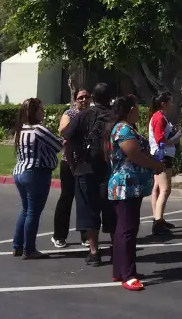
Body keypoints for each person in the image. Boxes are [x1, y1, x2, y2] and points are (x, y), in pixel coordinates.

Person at [107, 95, 166, 291]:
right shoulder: (123, 130)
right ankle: (128, 274)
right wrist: (155, 164)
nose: (140, 112)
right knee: (128, 230)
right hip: (125, 185)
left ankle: (120, 270)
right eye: (137, 108)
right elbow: (134, 155)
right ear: (130, 109)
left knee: (123, 229)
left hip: (132, 185)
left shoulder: (126, 128)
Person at [63, 82, 116, 266]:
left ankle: (94, 251)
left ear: (93, 97)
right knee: (112, 210)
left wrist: (71, 165)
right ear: (110, 97)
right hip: (111, 170)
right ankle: (116, 248)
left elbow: (67, 140)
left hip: (85, 168)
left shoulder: (82, 115)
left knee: (88, 211)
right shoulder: (115, 117)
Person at [12, 98, 62, 260]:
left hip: (20, 171)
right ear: (34, 112)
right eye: (41, 109)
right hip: (35, 173)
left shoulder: (21, 130)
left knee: (25, 209)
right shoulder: (38, 130)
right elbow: (57, 146)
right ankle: (29, 249)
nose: (43, 111)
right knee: (33, 212)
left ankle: (17, 246)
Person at [52, 88, 90, 249]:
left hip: (86, 162)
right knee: (67, 197)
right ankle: (59, 236)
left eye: (87, 97)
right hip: (69, 162)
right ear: (75, 100)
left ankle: (86, 235)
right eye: (80, 97)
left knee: (86, 200)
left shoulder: (93, 114)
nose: (84, 100)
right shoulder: (70, 114)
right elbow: (63, 131)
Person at [148, 91, 180, 235]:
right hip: (162, 155)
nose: (172, 104)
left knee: (157, 188)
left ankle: (158, 218)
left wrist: (172, 133)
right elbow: (160, 139)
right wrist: (174, 139)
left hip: (159, 154)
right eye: (170, 102)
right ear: (163, 103)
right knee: (165, 189)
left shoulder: (160, 117)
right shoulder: (159, 117)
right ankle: (158, 222)